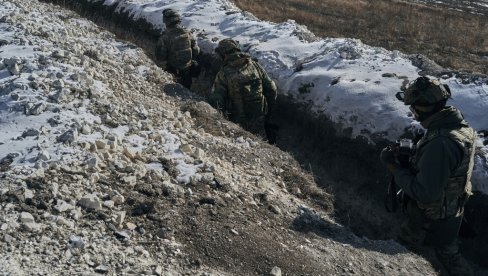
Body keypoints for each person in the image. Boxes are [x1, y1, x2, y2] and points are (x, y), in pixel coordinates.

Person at [380, 76, 476, 276]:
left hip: (429, 217)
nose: (412, 113)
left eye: (413, 107)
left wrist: (395, 169)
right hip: (452, 210)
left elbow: (425, 193)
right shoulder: (458, 127)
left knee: (397, 253)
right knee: (449, 254)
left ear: (423, 107)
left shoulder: (440, 143)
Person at [209, 38, 278, 143]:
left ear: (223, 54)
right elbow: (272, 89)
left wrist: (221, 119)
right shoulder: (255, 66)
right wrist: (269, 110)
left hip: (237, 120)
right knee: (261, 143)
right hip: (258, 115)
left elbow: (217, 100)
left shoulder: (223, 73)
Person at [155, 8, 200, 89]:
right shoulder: (188, 33)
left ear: (166, 22)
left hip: (172, 72)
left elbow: (160, 57)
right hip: (187, 73)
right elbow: (196, 51)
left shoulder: (165, 37)